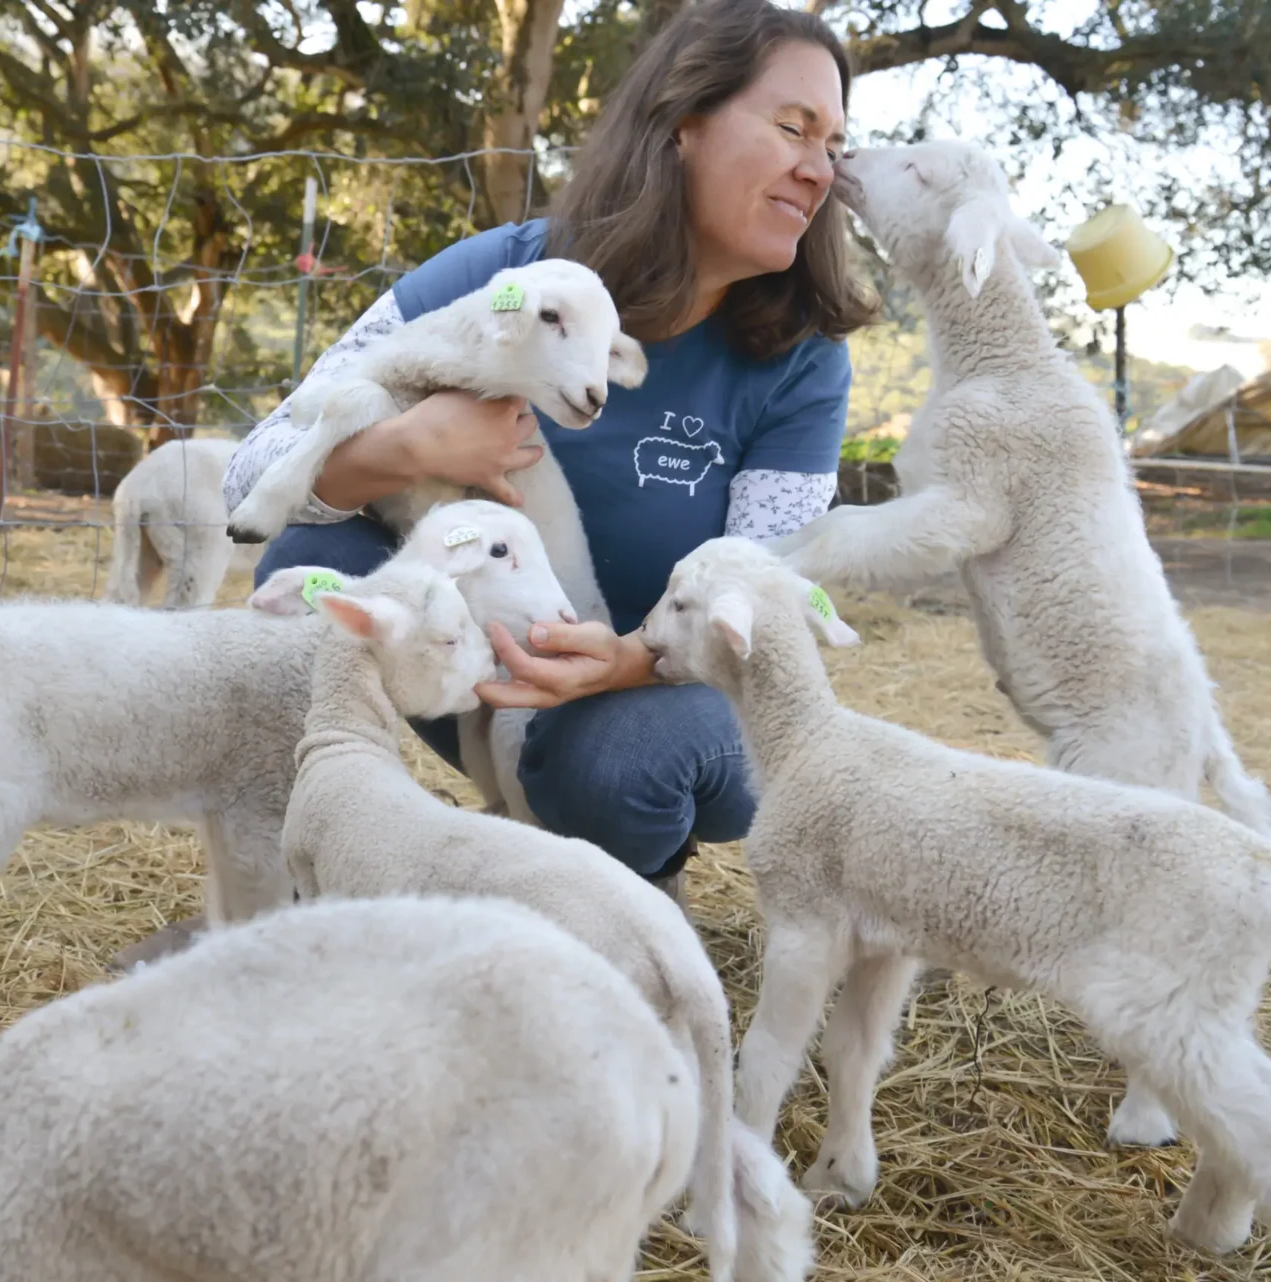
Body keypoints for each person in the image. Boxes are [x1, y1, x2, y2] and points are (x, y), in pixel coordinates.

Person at [231, 0, 875, 895]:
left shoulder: (801, 362)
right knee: (311, 567)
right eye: (792, 128)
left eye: (834, 148)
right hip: (471, 653)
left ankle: (626, 882)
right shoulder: (501, 278)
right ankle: (325, 870)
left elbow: (763, 610)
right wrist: (411, 444)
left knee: (621, 765)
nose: (819, 172)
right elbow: (251, 473)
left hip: (661, 691)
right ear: (685, 122)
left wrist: (629, 661)